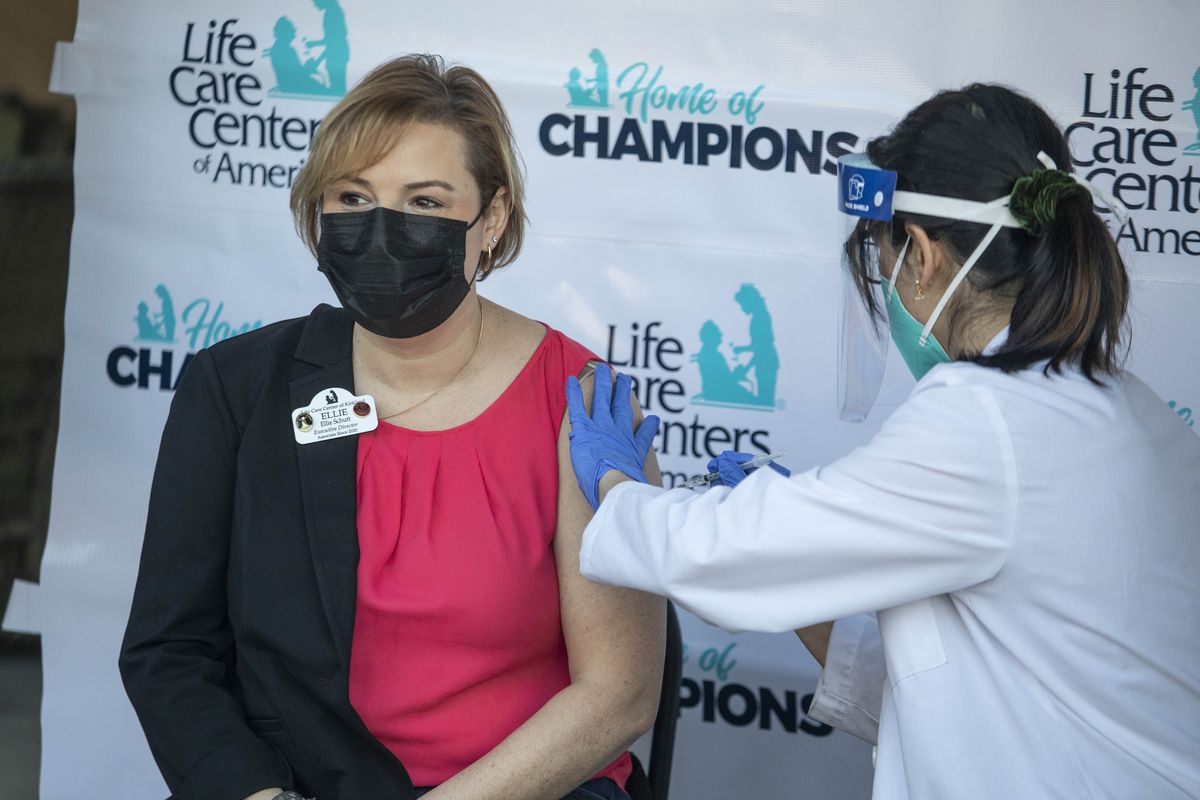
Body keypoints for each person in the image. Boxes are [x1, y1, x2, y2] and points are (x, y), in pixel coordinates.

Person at [565, 84, 1200, 798]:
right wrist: (815, 567)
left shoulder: (986, 422)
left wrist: (620, 492)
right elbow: (968, 683)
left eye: (885, 258)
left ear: (923, 255)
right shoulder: (1132, 413)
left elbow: (729, 551)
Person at [120, 54, 665, 800]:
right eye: (352, 195)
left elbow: (620, 694)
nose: (381, 229)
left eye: (425, 202)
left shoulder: (583, 401)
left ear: (492, 218)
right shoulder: (236, 389)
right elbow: (171, 650)